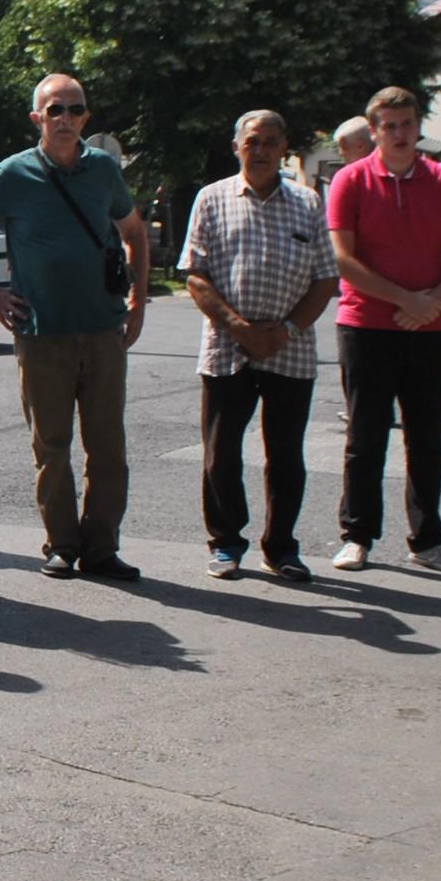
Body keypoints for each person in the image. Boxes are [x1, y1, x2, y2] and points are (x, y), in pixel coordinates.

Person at [0, 73, 151, 581]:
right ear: (36, 118)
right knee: (52, 446)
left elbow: (133, 231)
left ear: (86, 117)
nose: (65, 119)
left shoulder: (103, 169)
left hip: (104, 329)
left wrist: (138, 298)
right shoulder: (14, 174)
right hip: (42, 333)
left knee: (108, 447)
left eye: (74, 109)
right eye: (54, 110)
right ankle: (61, 544)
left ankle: (102, 547)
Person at [325, 84, 441, 574]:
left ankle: (428, 539)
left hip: (430, 330)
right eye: (390, 126)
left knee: (426, 438)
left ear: (419, 128)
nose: (400, 134)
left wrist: (432, 301)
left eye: (408, 125)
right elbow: (343, 260)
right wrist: (406, 300)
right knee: (365, 436)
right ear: (373, 131)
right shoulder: (350, 181)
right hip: (366, 327)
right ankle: (357, 536)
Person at [181, 109, 339, 582]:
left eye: (272, 141)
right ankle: (227, 543)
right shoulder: (211, 199)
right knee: (221, 451)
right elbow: (194, 274)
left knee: (286, 455)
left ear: (284, 146)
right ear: (237, 146)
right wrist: (238, 326)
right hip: (228, 347)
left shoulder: (308, 204)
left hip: (290, 347)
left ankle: (281, 547)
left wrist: (285, 330)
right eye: (253, 141)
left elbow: (326, 278)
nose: (262, 149)